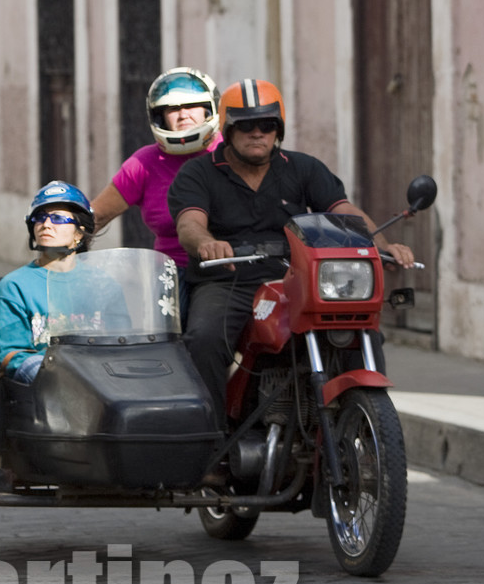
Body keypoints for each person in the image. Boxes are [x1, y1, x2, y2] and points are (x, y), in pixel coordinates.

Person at [168, 79, 415, 424]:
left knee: (358, 332)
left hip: (292, 278)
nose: (257, 133)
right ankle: (209, 443)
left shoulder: (302, 168)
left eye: (266, 125)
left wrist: (382, 245)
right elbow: (189, 223)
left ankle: (363, 425)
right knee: (205, 339)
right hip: (228, 280)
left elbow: (342, 210)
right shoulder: (198, 173)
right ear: (228, 129)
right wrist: (205, 242)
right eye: (246, 126)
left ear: (278, 129)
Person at [90, 66, 222, 307]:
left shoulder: (232, 154)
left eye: (192, 106)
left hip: (230, 270)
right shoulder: (143, 163)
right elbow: (94, 217)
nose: (183, 115)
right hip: (169, 276)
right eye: (172, 109)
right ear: (159, 117)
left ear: (208, 110)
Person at [0, 181, 105, 384]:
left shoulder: (103, 284)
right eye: (40, 218)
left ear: (79, 233)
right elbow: (9, 354)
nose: (46, 225)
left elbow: (123, 343)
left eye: (57, 218)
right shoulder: (14, 287)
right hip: (43, 388)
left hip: (101, 380)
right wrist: (55, 373)